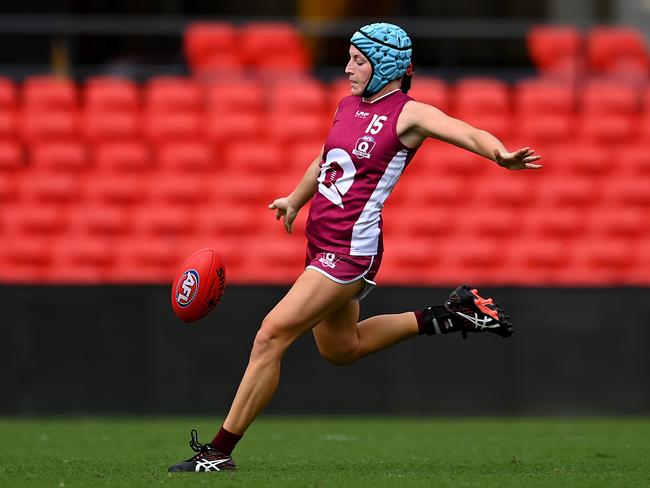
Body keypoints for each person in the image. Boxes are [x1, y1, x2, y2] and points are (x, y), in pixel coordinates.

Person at [169, 22, 541, 473]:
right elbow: (327, 159)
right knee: (341, 349)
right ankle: (451, 314)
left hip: (348, 251)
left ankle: (218, 452)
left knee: (271, 335)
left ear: (385, 65)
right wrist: (294, 198)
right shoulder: (348, 106)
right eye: (349, 58)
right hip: (321, 243)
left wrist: (499, 154)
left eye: (358, 60)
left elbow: (462, 130)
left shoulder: (409, 114)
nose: (347, 68)